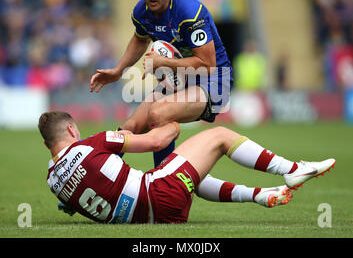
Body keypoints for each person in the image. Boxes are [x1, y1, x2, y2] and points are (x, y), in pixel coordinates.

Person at [39, 111, 335, 224]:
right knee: (219, 136)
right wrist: (172, 119)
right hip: (158, 194)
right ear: (72, 130)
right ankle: (291, 168)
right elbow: (157, 141)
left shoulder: (53, 182)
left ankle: (257, 194)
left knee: (186, 173)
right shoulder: (93, 142)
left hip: (151, 218)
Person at [89, 0, 233, 167]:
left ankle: (164, 182)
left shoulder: (189, 12)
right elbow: (140, 39)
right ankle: (95, 178)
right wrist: (118, 70)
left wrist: (163, 63)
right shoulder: (142, 12)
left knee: (158, 114)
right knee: (130, 128)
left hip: (214, 82)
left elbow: (207, 64)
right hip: (181, 81)